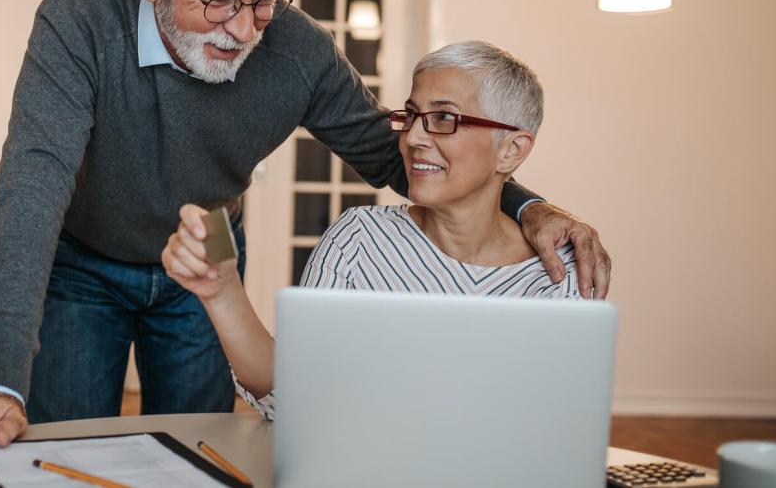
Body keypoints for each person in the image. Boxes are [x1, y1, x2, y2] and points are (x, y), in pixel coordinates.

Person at [0, 0, 609, 463]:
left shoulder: (295, 51)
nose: (244, 27)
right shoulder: (81, 18)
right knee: (60, 449)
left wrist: (528, 205)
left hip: (205, 257)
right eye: (219, 0)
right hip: (84, 259)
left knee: (198, 453)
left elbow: (399, 154)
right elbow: (31, 188)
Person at [162, 40, 582, 419]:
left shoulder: (560, 275)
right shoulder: (359, 239)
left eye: (443, 118)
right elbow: (291, 398)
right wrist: (223, 291)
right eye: (412, 115)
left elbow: (554, 427)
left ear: (511, 149)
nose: (413, 137)